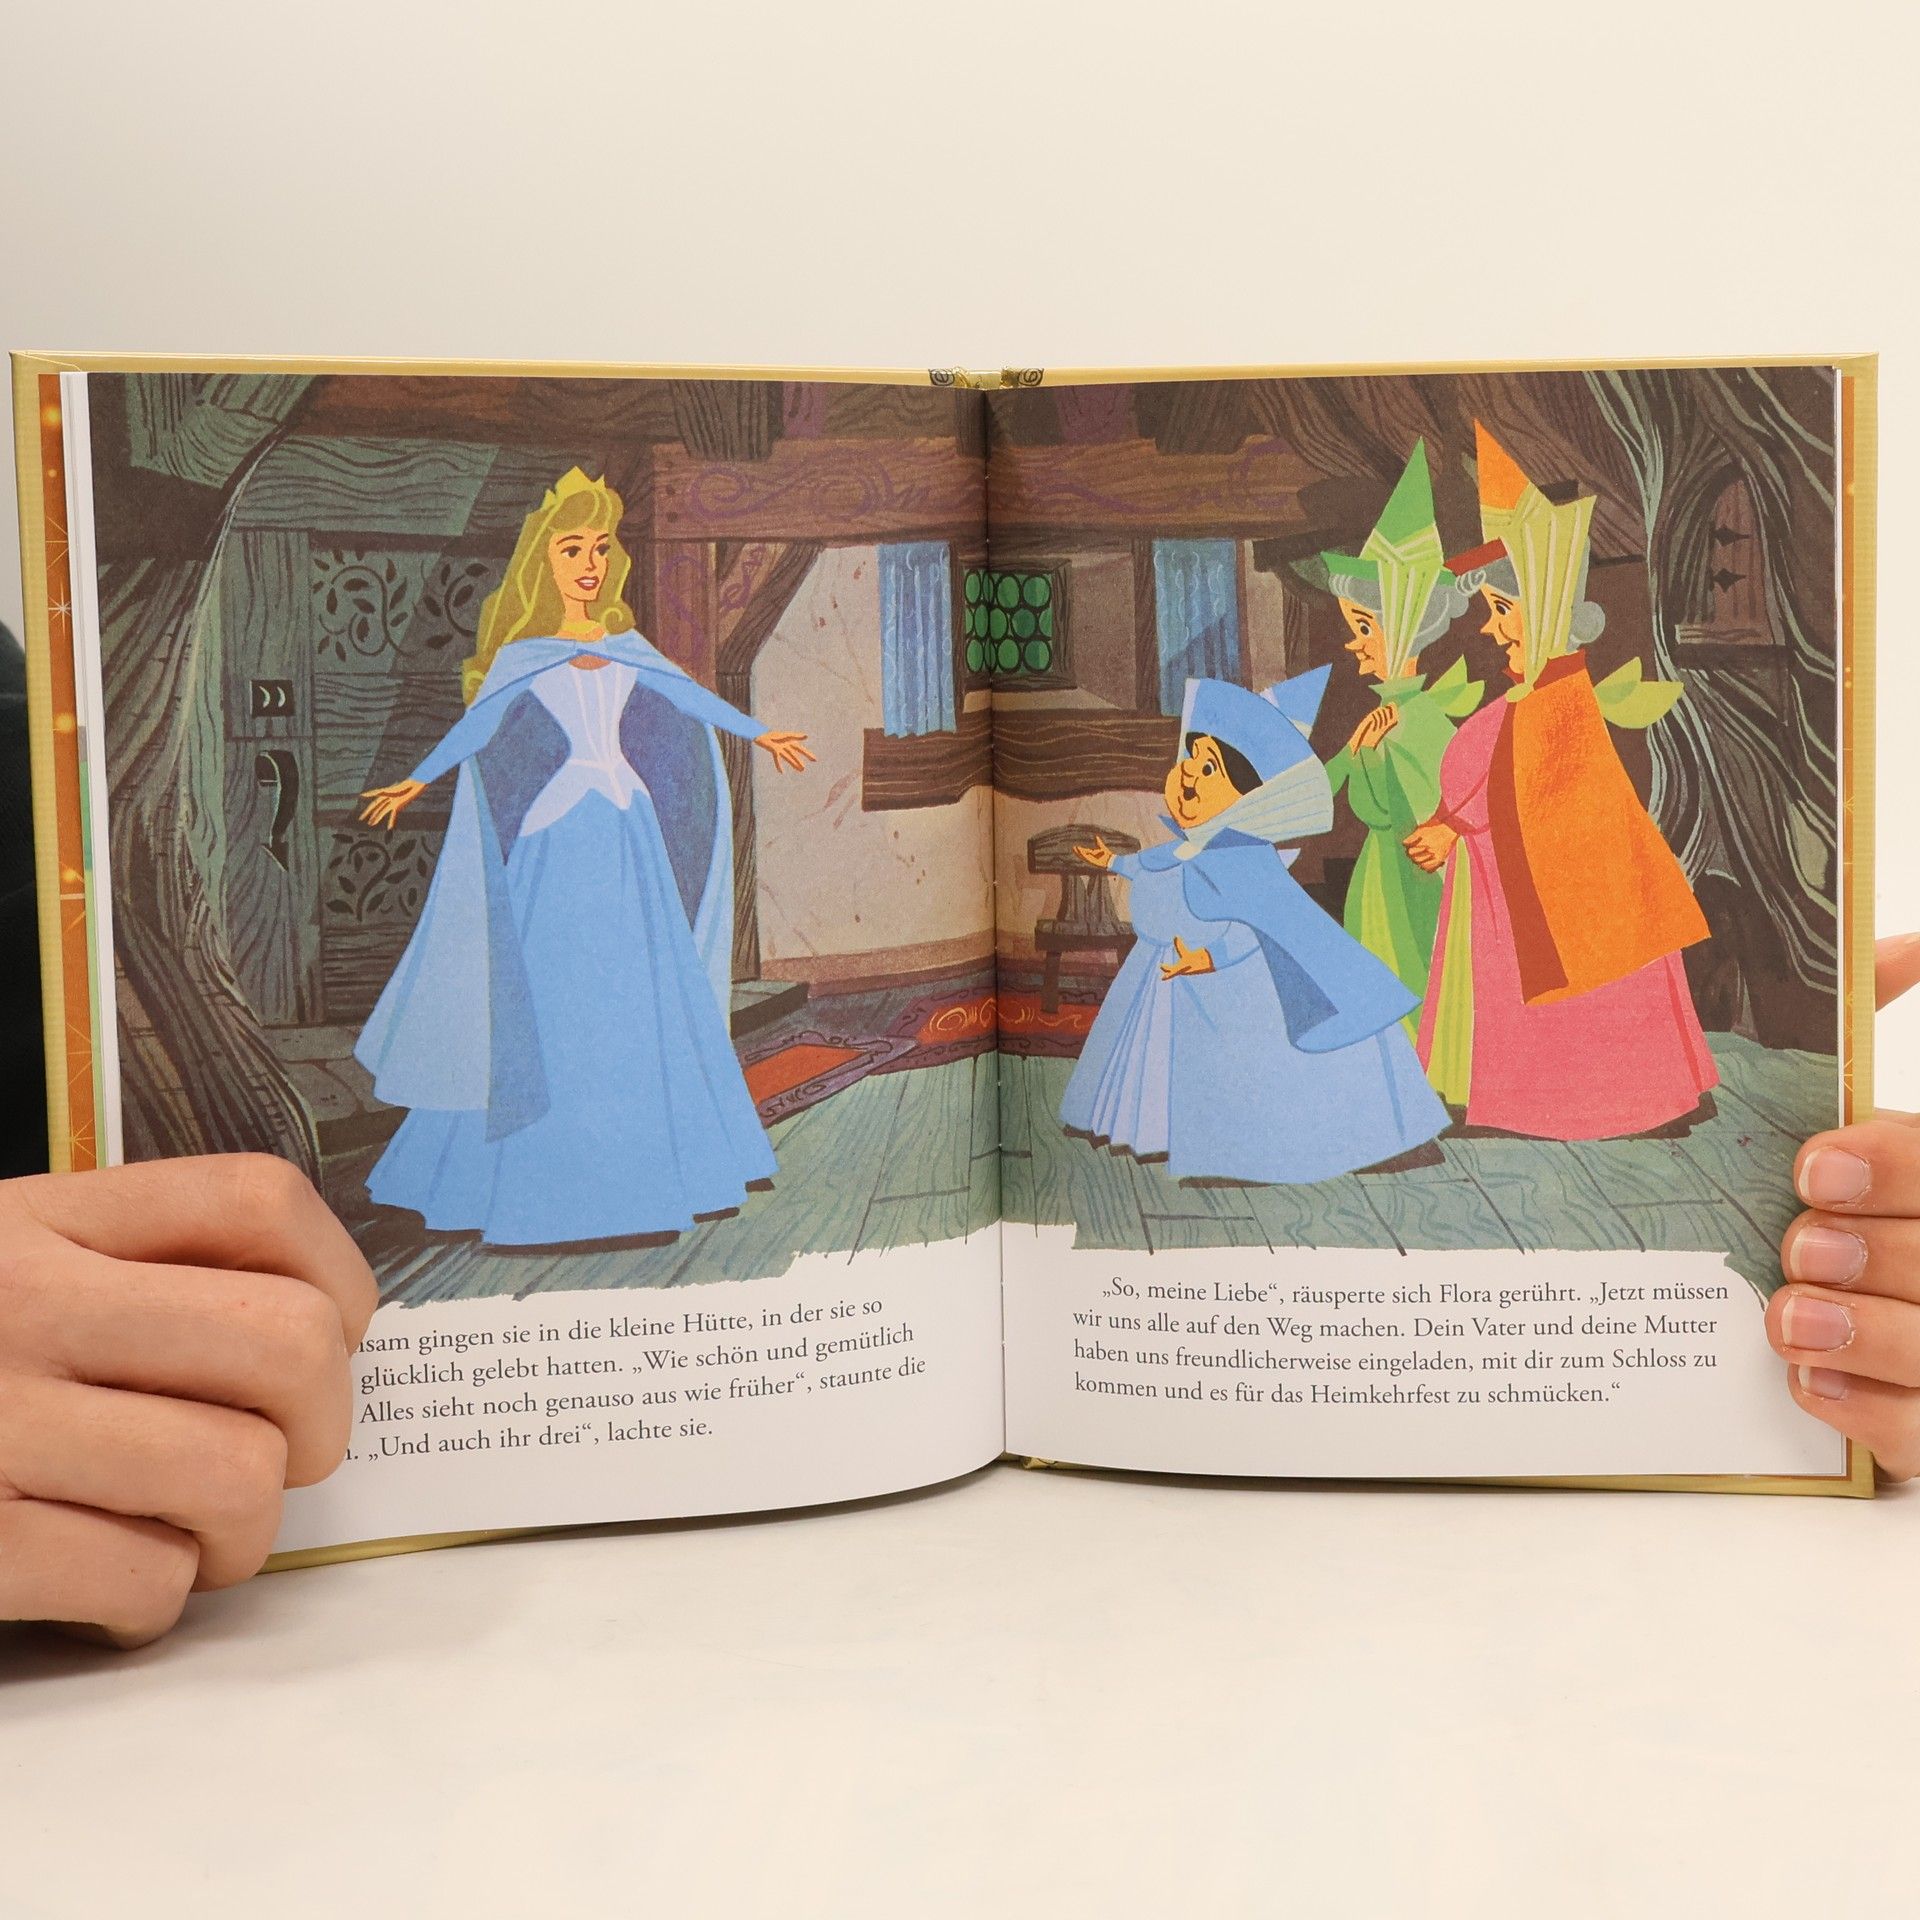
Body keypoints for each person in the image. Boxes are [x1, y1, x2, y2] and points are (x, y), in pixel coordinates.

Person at [353, 469, 815, 1246]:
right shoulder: (523, 655)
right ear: (546, 561)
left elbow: (689, 698)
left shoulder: (628, 644)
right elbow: (478, 729)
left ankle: (666, 1170)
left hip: (627, 831)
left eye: (600, 547)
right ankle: (520, 1180)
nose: (590, 563)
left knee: (639, 1000)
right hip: (557, 838)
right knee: (546, 996)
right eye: (573, 549)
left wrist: (759, 732)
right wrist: (416, 780)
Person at [1408, 425, 1717, 1139]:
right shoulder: (1532, 698)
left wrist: (1454, 825)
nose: (1492, 631)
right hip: (1527, 891)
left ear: (1546, 607)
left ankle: (1589, 1104)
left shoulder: (1556, 699)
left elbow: (1526, 786)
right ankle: (1527, 1097)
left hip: (1574, 904)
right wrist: (1453, 824)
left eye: (1502, 611)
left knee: (1589, 999)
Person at [1060, 668, 1449, 1181]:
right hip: (1172, 972)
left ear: (1250, 798)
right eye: (1189, 760)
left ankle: (1241, 1151)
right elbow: (1162, 862)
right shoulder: (1196, 842)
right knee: (1164, 1060)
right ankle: (1152, 1132)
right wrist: (1114, 861)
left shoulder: (1246, 856)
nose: (1189, 777)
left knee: (1237, 1071)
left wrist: (1209, 958)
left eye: (1210, 769)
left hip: (1235, 987)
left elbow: (1256, 929)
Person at [1295, 441, 1481, 1027]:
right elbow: (1327, 794)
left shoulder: (1419, 718)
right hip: (1380, 884)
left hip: (1410, 892)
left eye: (1363, 628)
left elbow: (1407, 817)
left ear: (1400, 626)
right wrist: (1359, 753)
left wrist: (1370, 759)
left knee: (1410, 1002)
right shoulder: (1385, 716)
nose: (1353, 644)